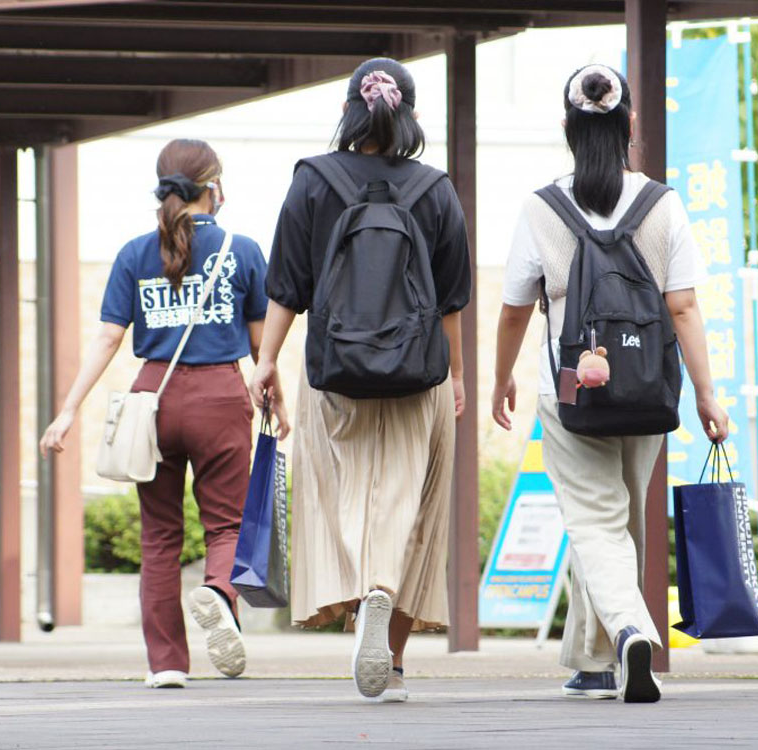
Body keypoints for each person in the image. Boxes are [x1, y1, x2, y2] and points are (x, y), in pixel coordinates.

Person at [491, 64, 730, 703]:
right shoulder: (663, 204)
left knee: (594, 521)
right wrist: (706, 393)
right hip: (647, 385)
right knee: (619, 519)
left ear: (566, 128)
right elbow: (684, 307)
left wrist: (500, 379)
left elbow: (514, 309)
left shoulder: (542, 208)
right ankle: (594, 662)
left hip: (570, 389)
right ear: (629, 126)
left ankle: (628, 631)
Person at [249, 57, 471, 703]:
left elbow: (287, 285)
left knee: (337, 493)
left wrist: (266, 360)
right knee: (412, 505)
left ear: (347, 111)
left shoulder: (312, 181)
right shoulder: (436, 189)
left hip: (333, 373)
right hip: (418, 373)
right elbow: (452, 299)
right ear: (412, 115)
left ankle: (361, 589)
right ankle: (392, 655)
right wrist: (457, 374)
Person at [39, 138, 272, 689]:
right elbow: (261, 346)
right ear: (213, 187)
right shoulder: (242, 250)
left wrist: (68, 411)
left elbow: (108, 338)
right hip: (220, 396)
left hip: (153, 399)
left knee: (159, 536)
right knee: (227, 524)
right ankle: (219, 593)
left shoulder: (135, 253)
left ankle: (166, 664)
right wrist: (277, 397)